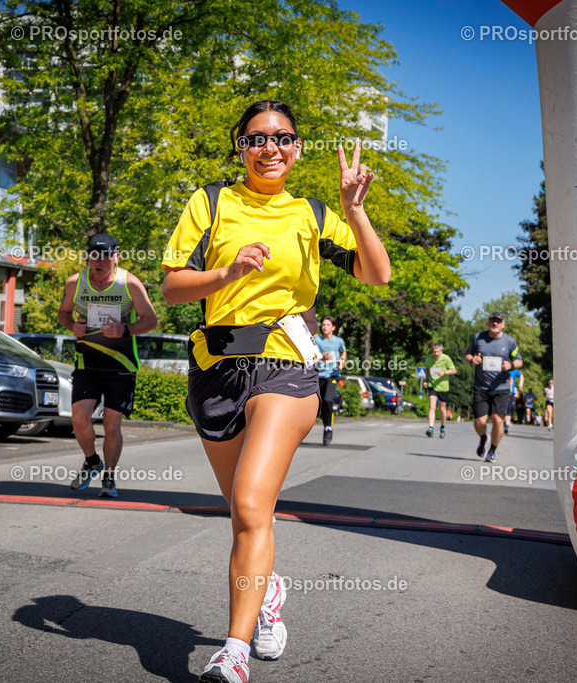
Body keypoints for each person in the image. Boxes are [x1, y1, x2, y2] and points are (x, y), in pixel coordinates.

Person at [161, 99, 390, 683]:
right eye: (257, 138)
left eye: (283, 138)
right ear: (240, 146)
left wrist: (353, 212)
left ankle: (232, 654)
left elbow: (377, 274)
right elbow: (172, 288)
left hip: (284, 367)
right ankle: (267, 592)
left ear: (297, 148)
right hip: (215, 369)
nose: (271, 148)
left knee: (250, 505)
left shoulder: (311, 213)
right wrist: (227, 274)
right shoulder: (210, 202)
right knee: (242, 516)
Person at [58, 233, 158, 497]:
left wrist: (125, 329)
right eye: (93, 256)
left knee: (112, 425)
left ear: (116, 257)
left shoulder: (130, 284)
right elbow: (63, 314)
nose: (98, 263)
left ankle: (110, 477)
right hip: (87, 362)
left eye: (104, 257)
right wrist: (72, 326)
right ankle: (92, 461)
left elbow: (151, 320)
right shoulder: (75, 283)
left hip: (121, 364)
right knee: (79, 419)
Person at [465, 312, 522, 462]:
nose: (495, 324)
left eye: (498, 321)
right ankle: (484, 438)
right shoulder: (479, 338)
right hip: (481, 386)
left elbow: (519, 361)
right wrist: (473, 360)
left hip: (501, 387)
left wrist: (510, 365)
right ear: (489, 323)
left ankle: (492, 450)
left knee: (498, 420)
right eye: (493, 321)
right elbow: (467, 355)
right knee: (480, 422)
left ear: (503, 324)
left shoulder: (509, 341)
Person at [313, 316, 346, 446]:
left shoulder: (338, 341)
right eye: (323, 324)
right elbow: (312, 355)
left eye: (327, 324)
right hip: (319, 375)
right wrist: (323, 357)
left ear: (333, 327)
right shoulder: (317, 341)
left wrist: (342, 361)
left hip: (332, 375)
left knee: (327, 400)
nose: (324, 327)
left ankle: (328, 429)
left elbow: (343, 352)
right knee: (319, 404)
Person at [424, 343, 456, 438]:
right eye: (434, 352)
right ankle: (430, 428)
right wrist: (426, 380)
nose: (436, 354)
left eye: (438, 352)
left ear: (441, 351)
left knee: (442, 408)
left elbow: (454, 370)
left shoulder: (446, 358)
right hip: (432, 385)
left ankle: (442, 427)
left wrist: (444, 372)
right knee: (432, 406)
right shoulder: (429, 358)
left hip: (443, 387)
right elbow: (427, 370)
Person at [505, 367, 522, 434]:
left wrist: (520, 385)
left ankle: (506, 425)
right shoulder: (501, 368)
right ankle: (504, 423)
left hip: (510, 392)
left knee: (509, 408)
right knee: (504, 409)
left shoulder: (514, 371)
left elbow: (520, 377)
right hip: (502, 391)